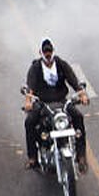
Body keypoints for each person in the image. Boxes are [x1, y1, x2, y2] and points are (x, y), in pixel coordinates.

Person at [24, 38, 89, 172]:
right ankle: (32, 158)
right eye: (45, 52)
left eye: (50, 51)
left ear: (53, 51)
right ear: (41, 53)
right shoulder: (35, 68)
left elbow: (74, 81)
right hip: (43, 103)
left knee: (78, 117)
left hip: (61, 102)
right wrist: (28, 102)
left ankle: (81, 156)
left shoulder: (61, 64)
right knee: (29, 122)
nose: (48, 55)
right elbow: (30, 87)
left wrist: (82, 95)